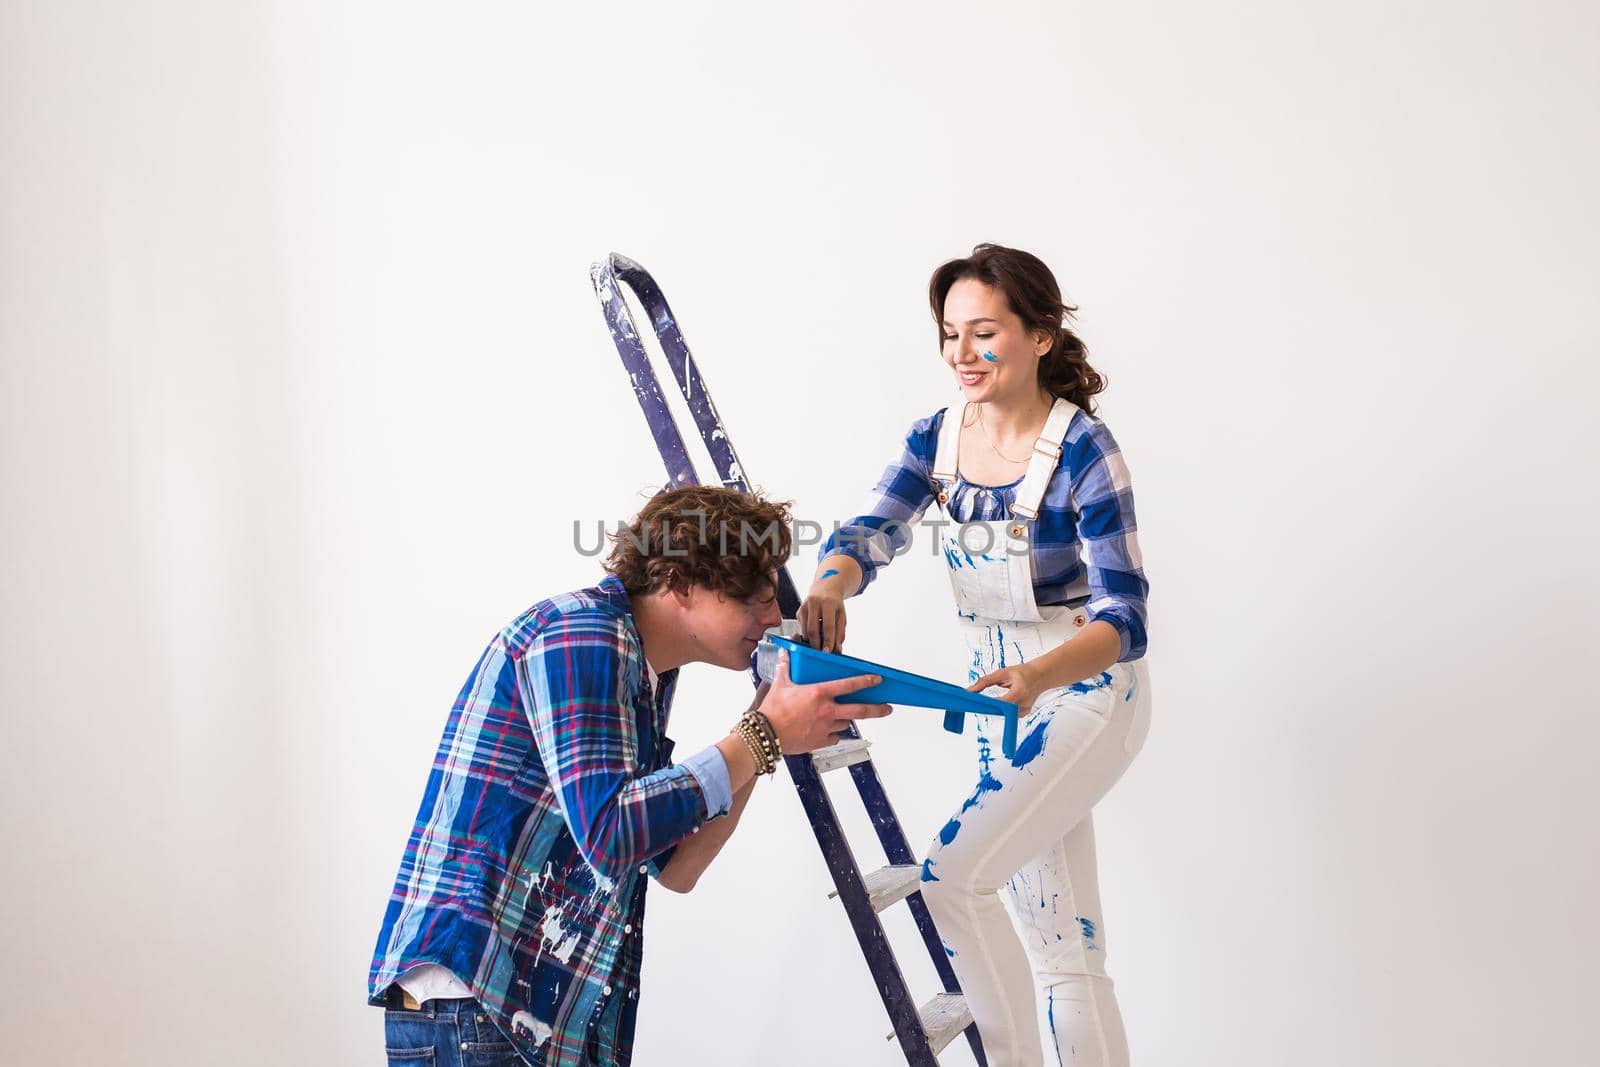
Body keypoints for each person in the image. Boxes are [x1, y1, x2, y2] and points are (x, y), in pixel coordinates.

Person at [369, 485, 891, 1066]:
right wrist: (762, 734)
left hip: (527, 1022)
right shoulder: (582, 635)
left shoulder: (643, 671)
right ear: (678, 583)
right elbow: (611, 834)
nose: (774, 617)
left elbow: (675, 865)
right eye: (752, 598)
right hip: (479, 1008)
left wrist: (765, 730)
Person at [800, 244, 1153, 1067]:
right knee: (1065, 952)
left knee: (952, 879)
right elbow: (867, 533)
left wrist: (1037, 676)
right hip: (1001, 697)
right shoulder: (937, 439)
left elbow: (1126, 618)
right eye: (949, 333)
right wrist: (830, 585)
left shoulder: (1084, 453)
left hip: (1086, 690)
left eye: (983, 331)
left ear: (1038, 335)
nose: (962, 352)